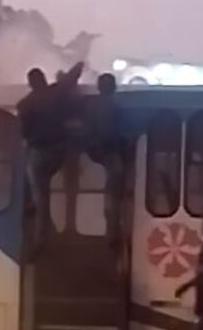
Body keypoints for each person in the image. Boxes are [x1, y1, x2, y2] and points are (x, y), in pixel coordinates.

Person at [16, 63, 84, 257]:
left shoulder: (25, 104)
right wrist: (78, 62)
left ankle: (41, 238)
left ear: (30, 84)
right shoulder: (57, 93)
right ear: (44, 79)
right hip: (60, 151)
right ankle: (47, 227)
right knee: (44, 190)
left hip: (39, 153)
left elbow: (24, 133)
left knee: (39, 196)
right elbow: (72, 77)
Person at [86, 73, 126, 249]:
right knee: (115, 190)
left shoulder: (91, 106)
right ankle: (112, 233)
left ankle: (110, 225)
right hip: (110, 152)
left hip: (95, 152)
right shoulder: (115, 107)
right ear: (113, 87)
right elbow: (113, 133)